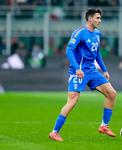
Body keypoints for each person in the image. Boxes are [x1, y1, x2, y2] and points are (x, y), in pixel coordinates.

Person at [49, 8, 117, 141]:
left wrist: (104, 70)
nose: (100, 21)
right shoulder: (79, 33)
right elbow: (69, 51)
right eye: (97, 18)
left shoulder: (97, 34)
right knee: (73, 101)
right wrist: (77, 68)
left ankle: (104, 125)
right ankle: (55, 132)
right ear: (89, 19)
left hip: (92, 71)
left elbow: (97, 54)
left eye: (100, 18)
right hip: (78, 72)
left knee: (112, 93)